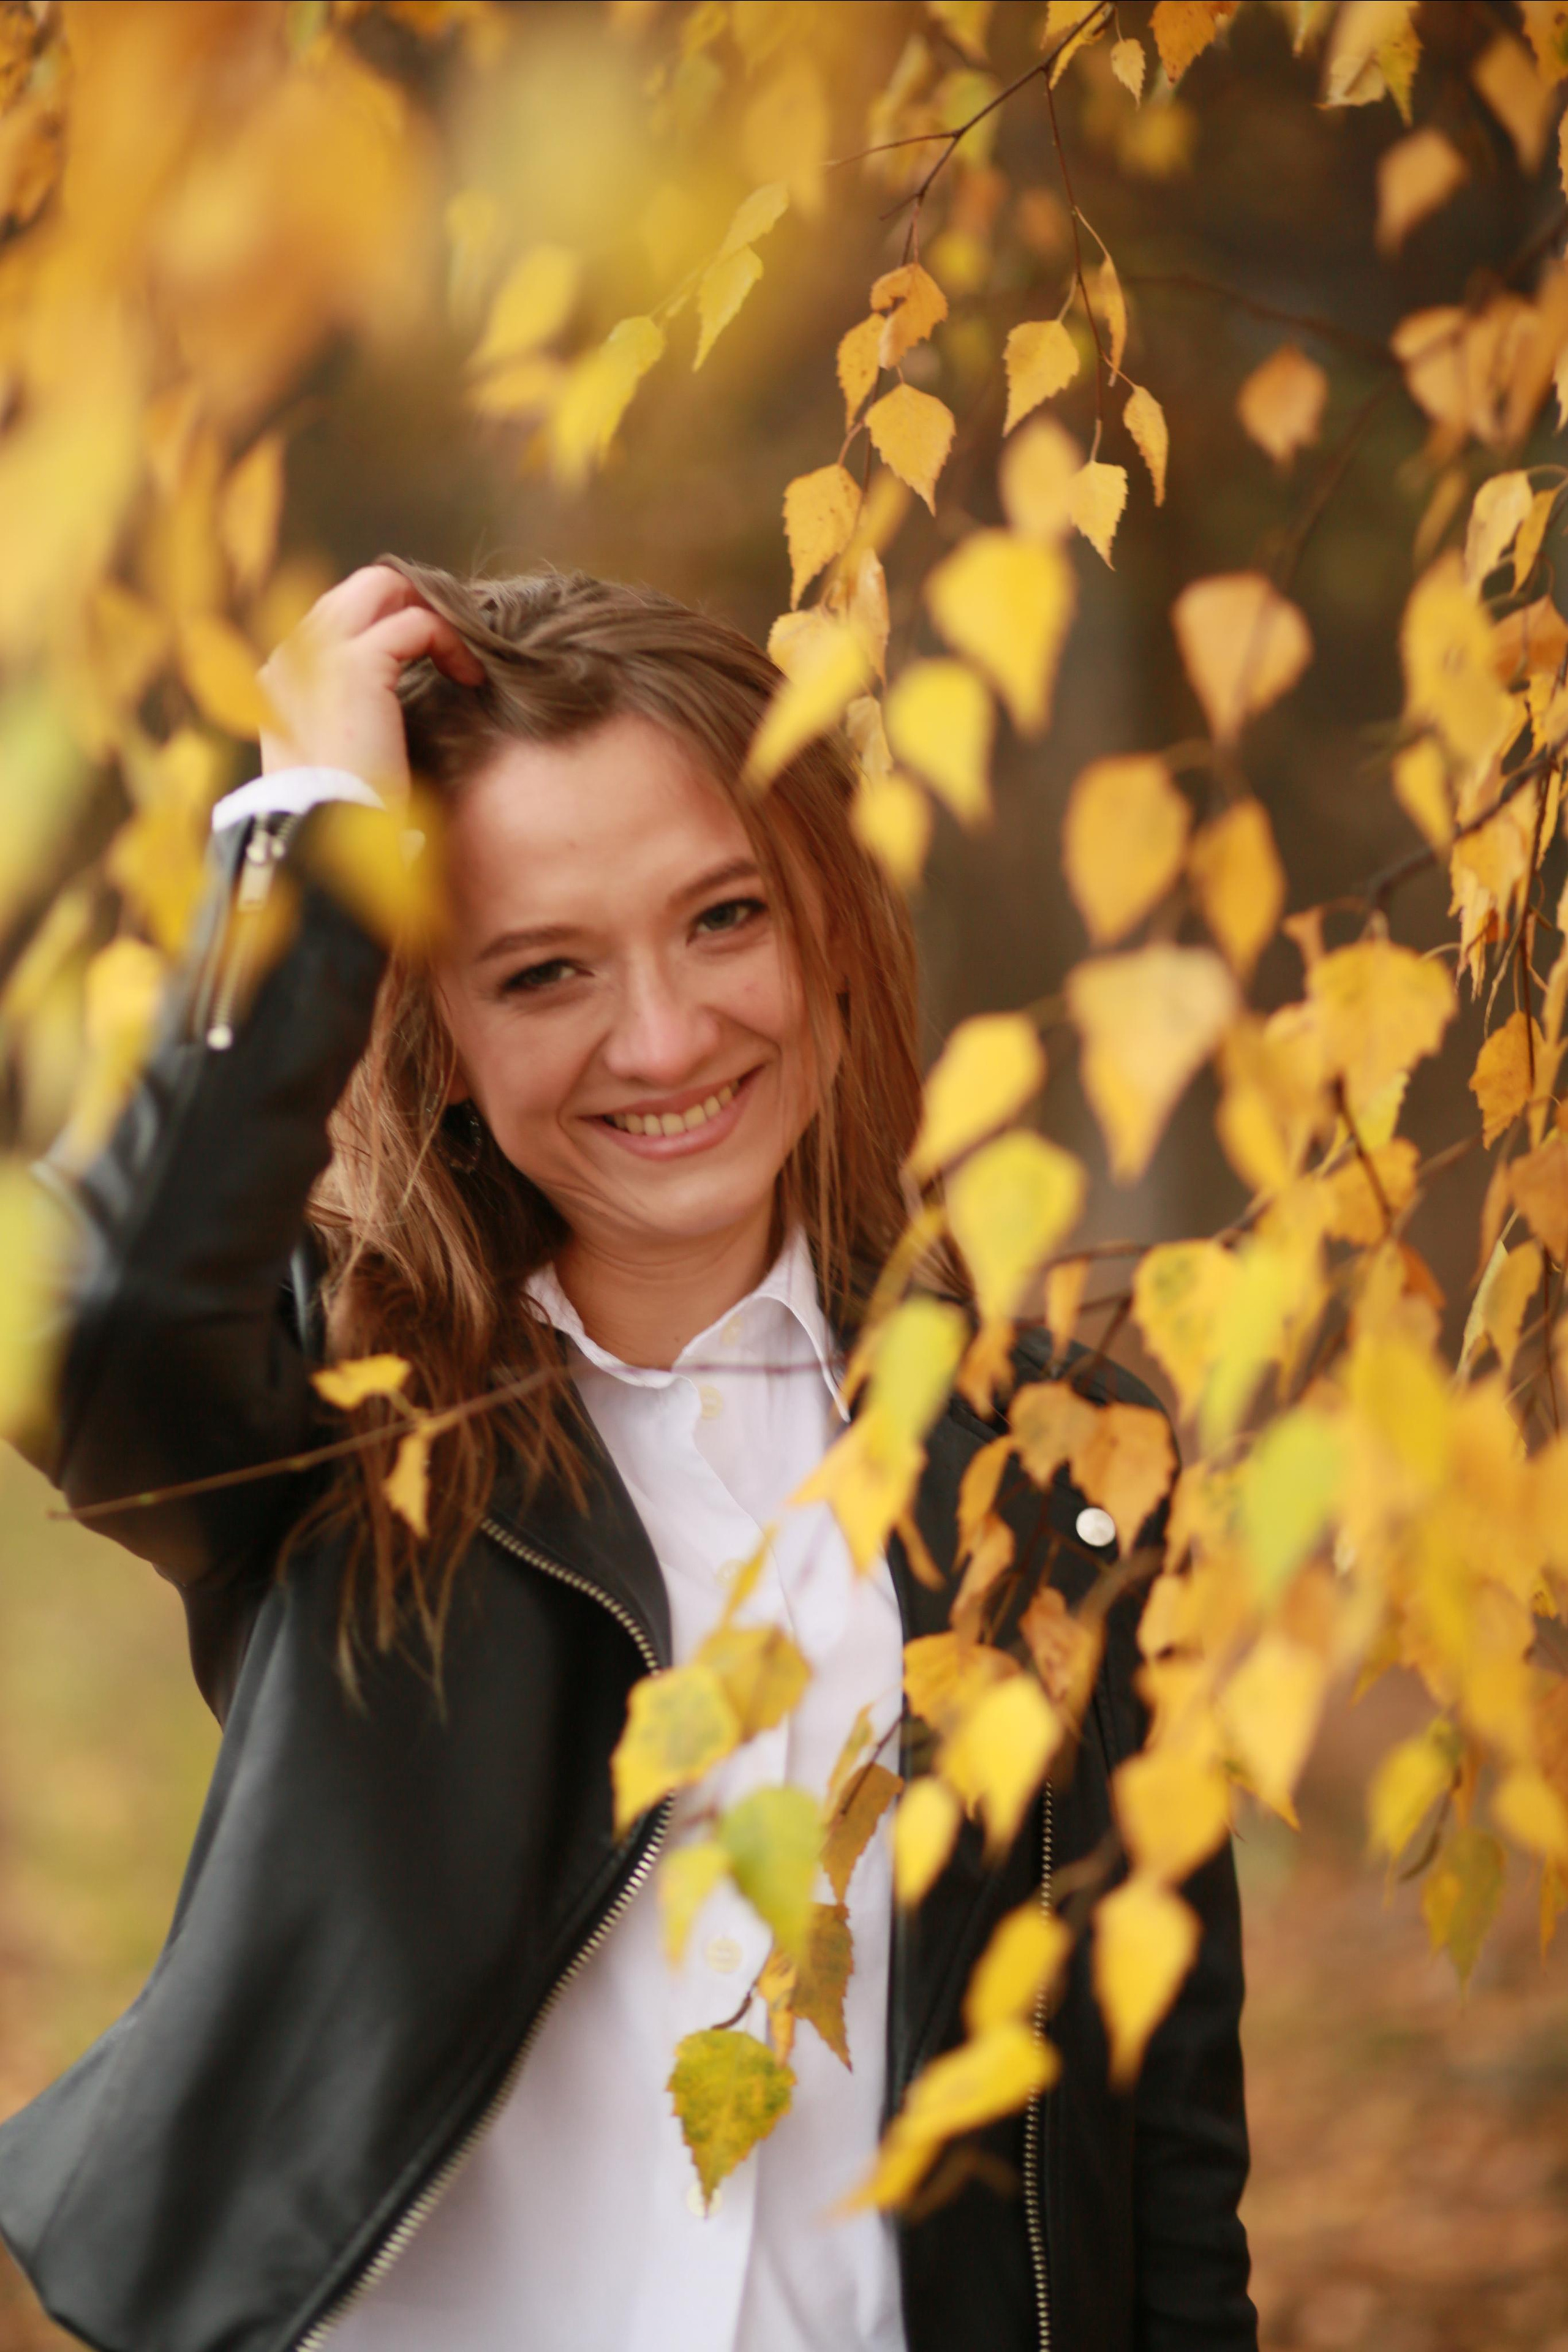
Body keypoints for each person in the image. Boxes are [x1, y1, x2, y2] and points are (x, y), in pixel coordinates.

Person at [0, 562, 1256, 2352]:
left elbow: (1164, 2136)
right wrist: (314, 838)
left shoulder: (1062, 1464)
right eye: (543, 971)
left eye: (725, 918)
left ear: (830, 932)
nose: (664, 1039)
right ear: (434, 1037)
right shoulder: (345, 1426)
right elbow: (100, 1326)